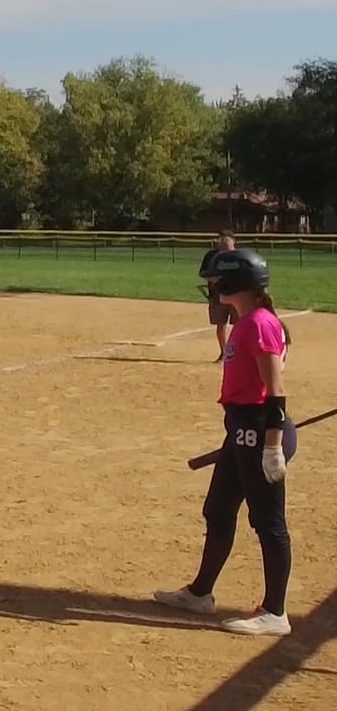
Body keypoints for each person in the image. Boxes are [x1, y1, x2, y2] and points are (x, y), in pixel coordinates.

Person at [155, 247, 297, 636]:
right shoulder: (246, 321)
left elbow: (275, 389)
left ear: (238, 282)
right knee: (218, 510)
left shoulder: (259, 323)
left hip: (259, 429)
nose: (214, 286)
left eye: (218, 280)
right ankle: (200, 594)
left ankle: (275, 611)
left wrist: (272, 445)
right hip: (241, 428)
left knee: (268, 520)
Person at [200, 231, 237, 362]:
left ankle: (237, 353)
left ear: (234, 241)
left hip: (236, 295)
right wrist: (214, 279)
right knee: (220, 324)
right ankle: (224, 353)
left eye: (226, 241)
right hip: (217, 294)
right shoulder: (211, 256)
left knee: (239, 325)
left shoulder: (240, 256)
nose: (223, 244)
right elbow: (203, 273)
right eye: (221, 241)